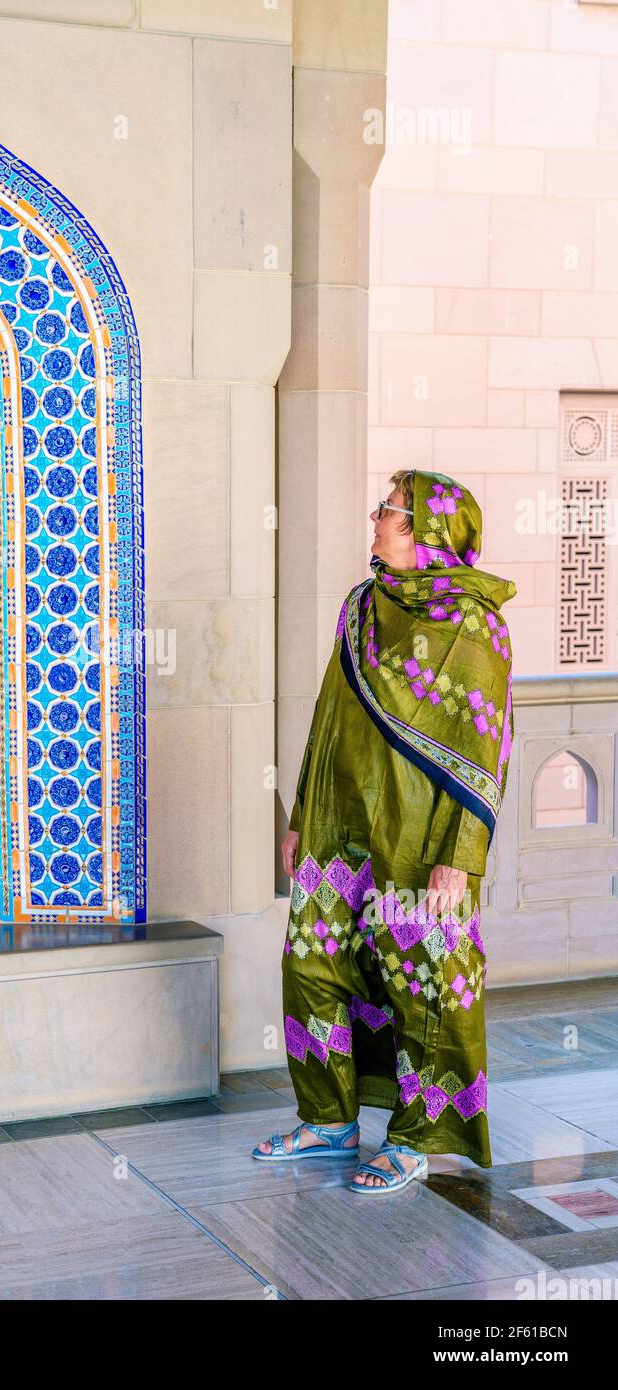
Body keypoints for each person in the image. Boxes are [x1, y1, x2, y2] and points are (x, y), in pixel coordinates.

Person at [253, 470, 515, 1193]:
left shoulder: (473, 624)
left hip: (419, 838)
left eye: (389, 511)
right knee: (309, 966)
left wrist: (458, 859)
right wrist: (303, 814)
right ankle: (329, 1120)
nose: (374, 518)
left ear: (428, 531)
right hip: (339, 827)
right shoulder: (360, 605)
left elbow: (485, 749)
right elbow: (327, 712)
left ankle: (412, 1136)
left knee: (421, 983)